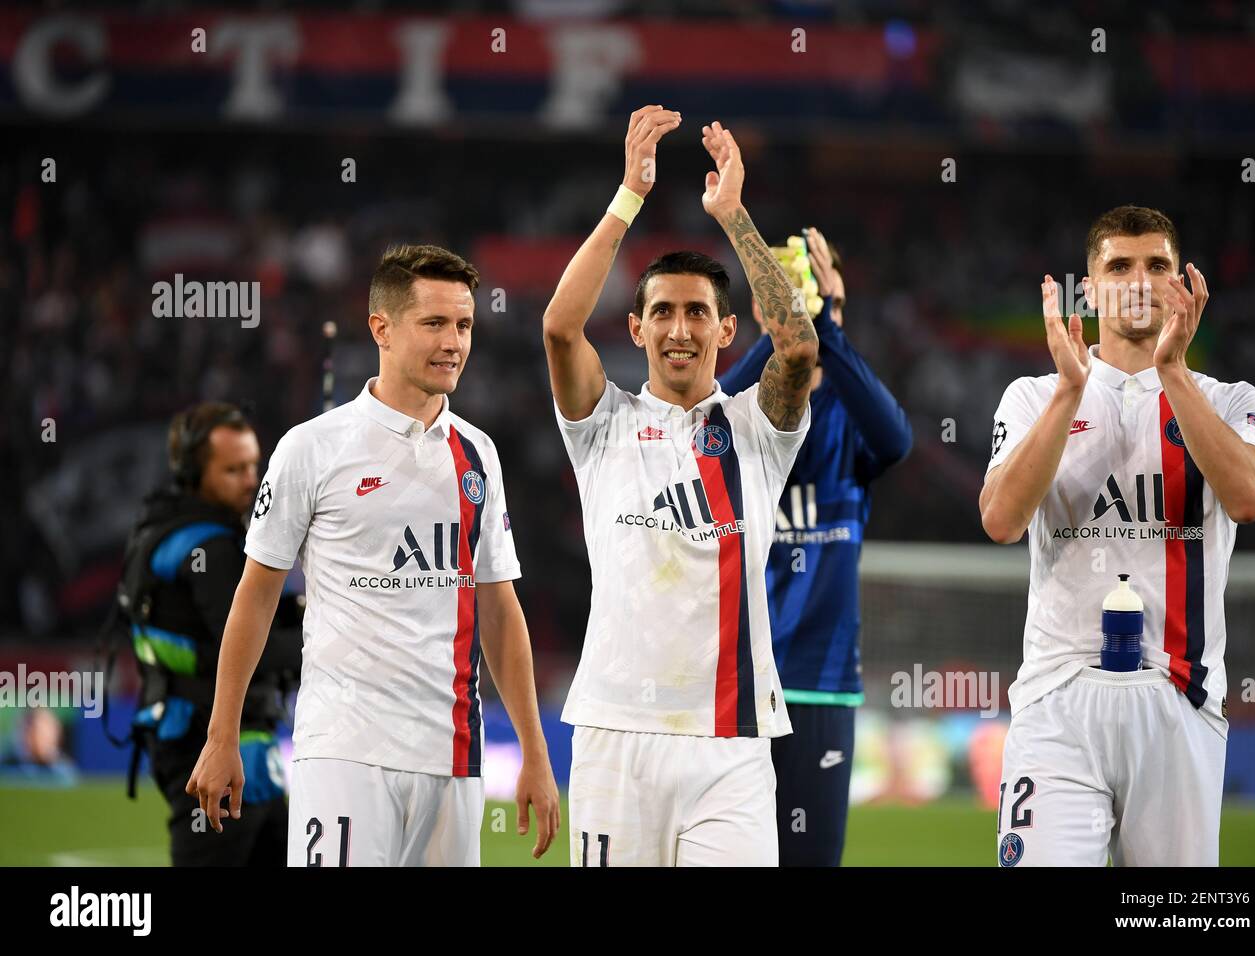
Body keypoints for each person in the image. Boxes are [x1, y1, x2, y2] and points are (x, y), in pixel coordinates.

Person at [187, 244, 560, 866]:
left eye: (464, 325)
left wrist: (535, 752)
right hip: (345, 751)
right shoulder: (311, 449)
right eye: (435, 323)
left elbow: (498, 608)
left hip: (454, 757)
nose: (454, 343)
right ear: (381, 329)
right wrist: (221, 734)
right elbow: (255, 593)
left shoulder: (479, 455)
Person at [543, 107, 818, 866]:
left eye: (699, 312)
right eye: (661, 311)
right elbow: (561, 329)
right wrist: (628, 197)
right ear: (635, 330)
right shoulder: (603, 426)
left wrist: (732, 214)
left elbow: (797, 347)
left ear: (727, 330)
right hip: (615, 732)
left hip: (730, 740)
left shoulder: (755, 433)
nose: (679, 328)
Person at [980, 205, 1255, 866]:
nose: (1138, 280)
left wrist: (1172, 371)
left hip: (1181, 698)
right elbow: (1000, 520)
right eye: (1119, 266)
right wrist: (1068, 394)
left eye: (1157, 266)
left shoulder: (1232, 401)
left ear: (1183, 284)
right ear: (1090, 288)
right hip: (1058, 700)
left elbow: (1252, 498)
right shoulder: (1033, 396)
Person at [717, 228, 911, 865]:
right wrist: (786, 330)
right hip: (735, 682)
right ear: (758, 311)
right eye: (778, 299)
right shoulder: (741, 423)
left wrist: (825, 327)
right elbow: (707, 418)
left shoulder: (849, 422)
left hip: (819, 684)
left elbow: (899, 440)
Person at [118, 402, 301, 866]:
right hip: (213, 742)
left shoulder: (163, 528)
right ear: (193, 471)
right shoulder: (213, 547)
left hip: (181, 731)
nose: (249, 480)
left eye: (253, 466)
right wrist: (325, 635)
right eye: (233, 469)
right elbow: (247, 647)